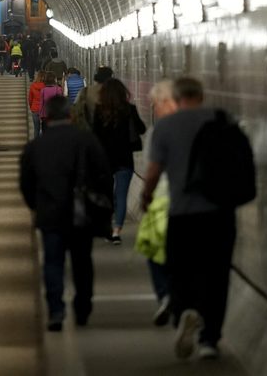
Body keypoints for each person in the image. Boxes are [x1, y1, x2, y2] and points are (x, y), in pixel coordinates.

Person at [141, 77, 237, 361]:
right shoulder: (223, 119)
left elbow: (154, 171)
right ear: (202, 95)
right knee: (217, 274)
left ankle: (186, 310)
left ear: (177, 97)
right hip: (220, 213)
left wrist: (146, 197)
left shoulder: (167, 127)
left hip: (182, 212)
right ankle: (210, 339)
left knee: (180, 268)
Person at [20, 95, 112, 332]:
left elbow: (26, 183)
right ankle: (82, 308)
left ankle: (56, 311)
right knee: (82, 262)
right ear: (70, 116)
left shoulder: (35, 146)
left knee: (53, 262)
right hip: (81, 214)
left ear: (46, 117)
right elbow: (103, 174)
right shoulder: (86, 140)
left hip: (50, 213)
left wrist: (36, 205)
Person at [136, 80, 178, 327]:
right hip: (193, 201)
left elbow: (150, 168)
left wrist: (145, 196)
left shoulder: (158, 131)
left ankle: (166, 295)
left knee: (153, 249)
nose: (153, 109)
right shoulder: (197, 126)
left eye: (155, 104)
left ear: (166, 102)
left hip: (161, 199)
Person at [91, 78, 146, 245]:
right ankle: (116, 231)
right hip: (124, 159)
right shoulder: (129, 109)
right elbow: (142, 129)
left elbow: (95, 136)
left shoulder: (99, 111)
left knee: (107, 195)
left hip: (105, 161)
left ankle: (107, 228)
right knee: (121, 196)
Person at [72, 66, 113, 130]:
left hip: (91, 128)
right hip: (112, 128)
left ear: (96, 76)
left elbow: (76, 108)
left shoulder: (86, 91)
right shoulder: (115, 91)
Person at [27, 70, 46, 138]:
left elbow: (30, 99)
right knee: (45, 129)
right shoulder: (46, 86)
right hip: (44, 110)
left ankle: (36, 144)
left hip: (35, 109)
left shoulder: (33, 86)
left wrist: (31, 107)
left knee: (36, 129)